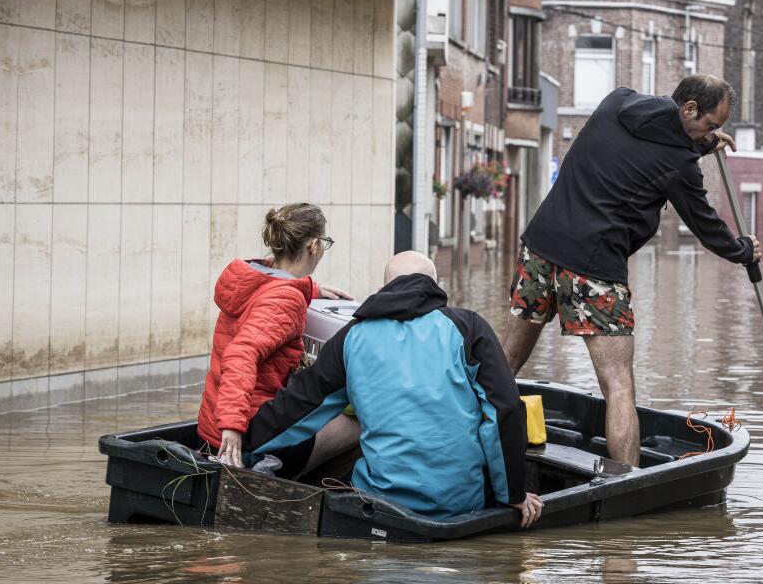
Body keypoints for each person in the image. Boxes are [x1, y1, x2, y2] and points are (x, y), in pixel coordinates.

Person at [503, 75, 761, 467]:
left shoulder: (615, 103)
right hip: (593, 269)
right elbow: (706, 227)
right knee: (618, 384)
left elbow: (648, 140)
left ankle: (468, 443)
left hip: (539, 248)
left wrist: (702, 143)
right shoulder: (680, 165)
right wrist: (744, 250)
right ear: (689, 109)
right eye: (711, 125)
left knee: (506, 362)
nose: (713, 132)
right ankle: (627, 485)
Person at [246, 252, 544, 527]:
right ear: (434, 285)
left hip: (380, 501)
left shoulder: (351, 336)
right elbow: (504, 409)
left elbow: (299, 406)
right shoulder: (469, 327)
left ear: (384, 286)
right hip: (460, 504)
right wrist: (514, 494)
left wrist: (239, 443)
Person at [197, 203, 358, 476]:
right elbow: (242, 353)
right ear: (314, 246)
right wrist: (233, 427)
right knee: (363, 423)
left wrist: (311, 288)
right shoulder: (286, 298)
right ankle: (312, 490)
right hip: (247, 437)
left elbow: (268, 298)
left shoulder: (252, 278)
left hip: (210, 428)